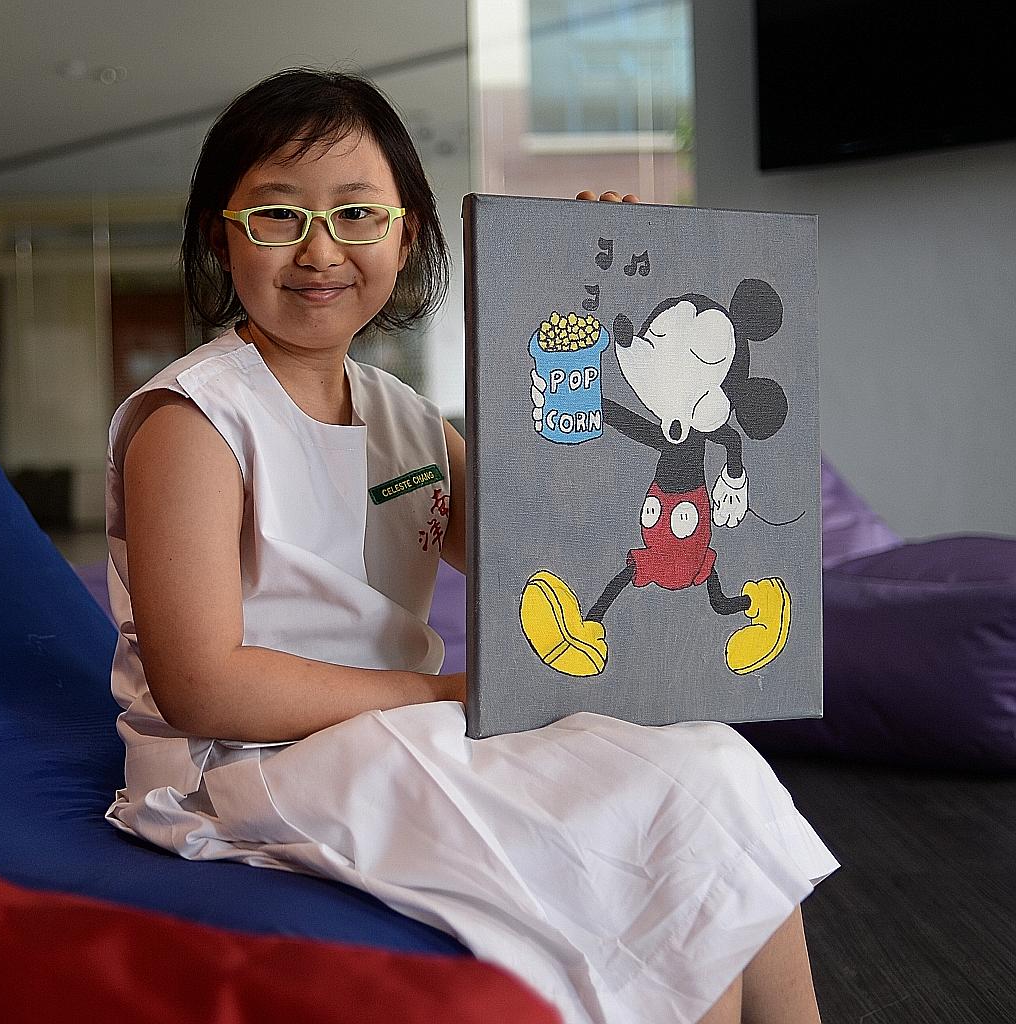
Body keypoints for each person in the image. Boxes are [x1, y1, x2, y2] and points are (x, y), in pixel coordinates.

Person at [102, 68, 836, 1024]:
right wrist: (453, 696)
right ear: (222, 236)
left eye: (357, 213)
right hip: (241, 766)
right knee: (660, 806)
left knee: (707, 758)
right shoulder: (194, 419)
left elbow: (556, 536)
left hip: (395, 732)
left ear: (407, 234)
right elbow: (203, 684)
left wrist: (576, 279)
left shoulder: (402, 414)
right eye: (278, 215)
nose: (321, 250)